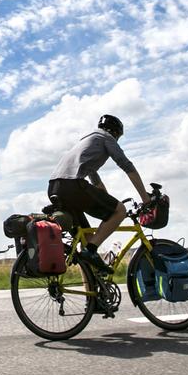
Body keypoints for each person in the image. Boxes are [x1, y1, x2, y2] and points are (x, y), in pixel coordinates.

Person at [47, 114, 151, 274]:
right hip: (72, 186)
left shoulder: (87, 142)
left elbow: (96, 183)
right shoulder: (106, 138)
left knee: (86, 239)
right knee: (120, 211)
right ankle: (91, 251)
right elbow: (127, 166)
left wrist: (108, 202)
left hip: (55, 187)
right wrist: (145, 198)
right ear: (115, 133)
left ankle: (93, 294)